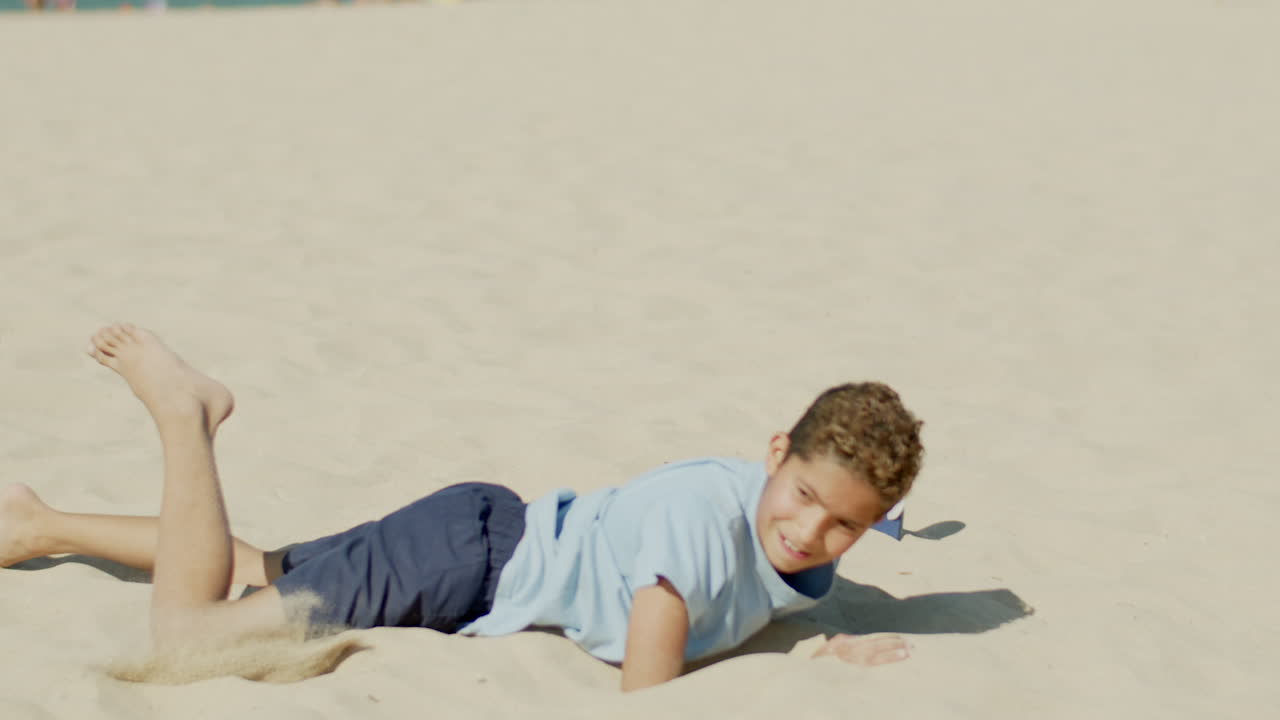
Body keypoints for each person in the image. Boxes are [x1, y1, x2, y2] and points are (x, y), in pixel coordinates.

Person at [0, 324, 924, 691]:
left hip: (480, 537)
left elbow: (763, 598)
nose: (809, 533)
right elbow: (649, 692)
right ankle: (186, 415)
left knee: (258, 570)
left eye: (844, 523)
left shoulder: (810, 559)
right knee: (191, 639)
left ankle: (38, 523)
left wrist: (820, 645)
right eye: (803, 497)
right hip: (464, 567)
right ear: (773, 454)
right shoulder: (697, 521)